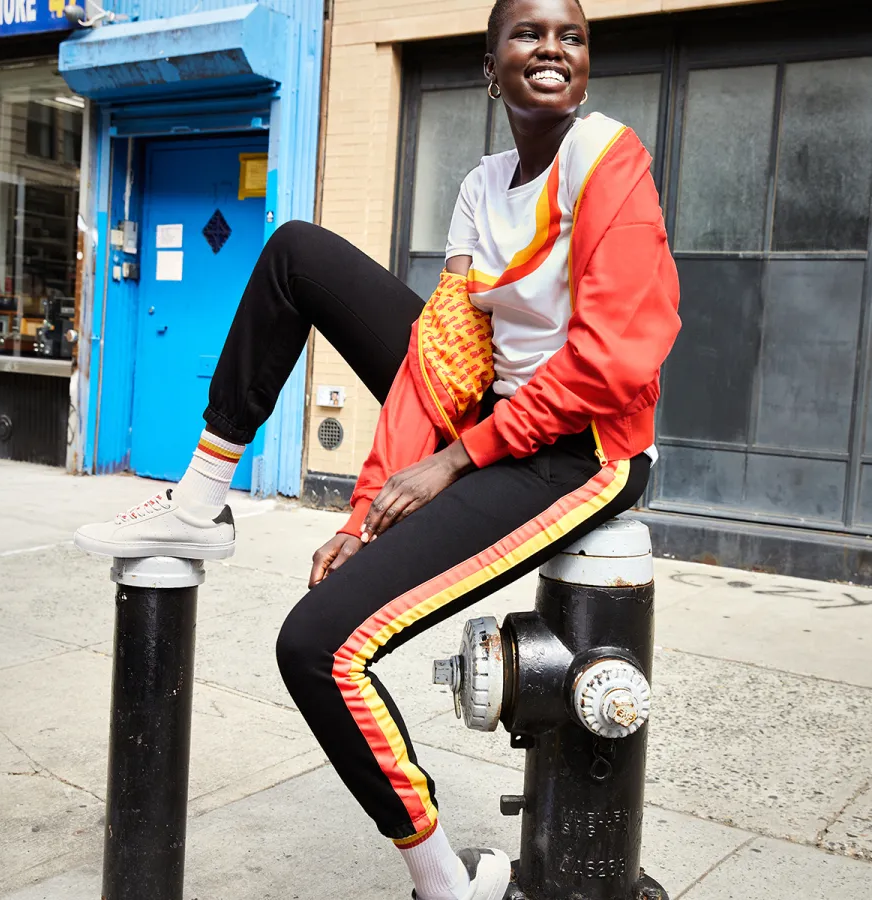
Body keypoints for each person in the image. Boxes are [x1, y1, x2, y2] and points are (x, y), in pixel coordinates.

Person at [75, 0, 680, 896]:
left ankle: (443, 881)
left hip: (581, 450)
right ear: (489, 65)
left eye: (572, 36)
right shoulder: (483, 187)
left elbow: (615, 362)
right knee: (295, 253)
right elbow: (440, 367)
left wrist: (457, 460)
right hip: (489, 420)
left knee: (319, 647)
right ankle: (197, 502)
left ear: (586, 63)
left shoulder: (609, 161)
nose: (552, 48)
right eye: (528, 33)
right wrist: (366, 514)